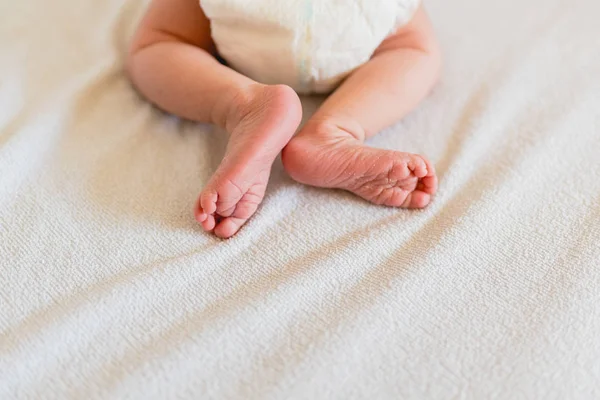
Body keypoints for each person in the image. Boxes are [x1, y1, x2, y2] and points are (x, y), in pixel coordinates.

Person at [127, 0, 441, 238]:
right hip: (354, 18)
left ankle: (242, 104)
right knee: (412, 49)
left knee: (160, 43)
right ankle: (336, 130)